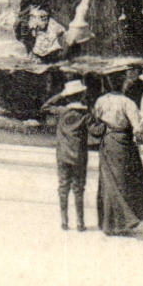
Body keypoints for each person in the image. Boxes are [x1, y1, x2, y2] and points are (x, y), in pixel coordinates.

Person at [90, 79, 143, 236]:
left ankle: (109, 224)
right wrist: (142, 140)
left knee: (108, 182)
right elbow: (137, 128)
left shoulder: (101, 101)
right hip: (123, 142)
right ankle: (124, 222)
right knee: (123, 181)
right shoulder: (127, 102)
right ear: (122, 84)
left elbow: (96, 120)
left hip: (107, 142)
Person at [45, 79, 91, 232]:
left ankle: (64, 221)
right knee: (79, 189)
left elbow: (45, 106)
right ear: (82, 95)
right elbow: (96, 131)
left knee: (63, 188)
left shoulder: (61, 111)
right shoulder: (85, 114)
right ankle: (80, 223)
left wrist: (61, 95)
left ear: (68, 97)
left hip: (63, 155)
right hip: (79, 156)